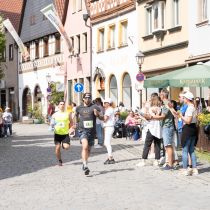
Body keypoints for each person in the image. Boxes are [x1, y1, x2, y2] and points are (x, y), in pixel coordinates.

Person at [72, 93, 101, 175]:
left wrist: (97, 114)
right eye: (86, 98)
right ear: (83, 99)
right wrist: (73, 125)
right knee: (85, 146)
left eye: (89, 98)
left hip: (91, 132)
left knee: (88, 150)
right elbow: (74, 117)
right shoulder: (79, 108)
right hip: (82, 130)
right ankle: (85, 165)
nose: (88, 99)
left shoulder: (95, 107)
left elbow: (101, 117)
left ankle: (84, 162)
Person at [150, 89, 175, 170]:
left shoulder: (167, 103)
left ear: (163, 95)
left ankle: (170, 165)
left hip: (167, 126)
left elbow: (163, 116)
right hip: (166, 126)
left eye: (160, 94)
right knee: (167, 146)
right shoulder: (166, 103)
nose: (159, 96)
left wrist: (152, 117)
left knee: (168, 146)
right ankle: (170, 163)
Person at [179, 91, 198, 176]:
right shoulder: (193, 107)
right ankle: (194, 169)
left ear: (187, 99)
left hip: (188, 129)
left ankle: (185, 169)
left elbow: (188, 121)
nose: (183, 99)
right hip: (193, 129)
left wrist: (181, 116)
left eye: (184, 98)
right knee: (191, 150)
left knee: (185, 150)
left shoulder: (190, 108)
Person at [50, 100, 72, 166]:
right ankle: (60, 160)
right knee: (57, 148)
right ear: (58, 106)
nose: (62, 105)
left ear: (64, 106)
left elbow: (71, 122)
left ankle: (63, 144)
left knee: (66, 147)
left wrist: (71, 128)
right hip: (57, 133)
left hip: (65, 134)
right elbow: (51, 123)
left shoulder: (67, 114)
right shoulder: (54, 114)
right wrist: (52, 126)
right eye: (61, 104)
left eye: (63, 104)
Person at [103, 98, 116, 164]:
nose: (104, 104)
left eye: (105, 103)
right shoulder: (109, 109)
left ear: (108, 103)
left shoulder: (109, 110)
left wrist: (101, 117)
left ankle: (110, 157)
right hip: (108, 127)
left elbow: (105, 119)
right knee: (106, 143)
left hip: (109, 127)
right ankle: (110, 157)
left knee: (107, 143)